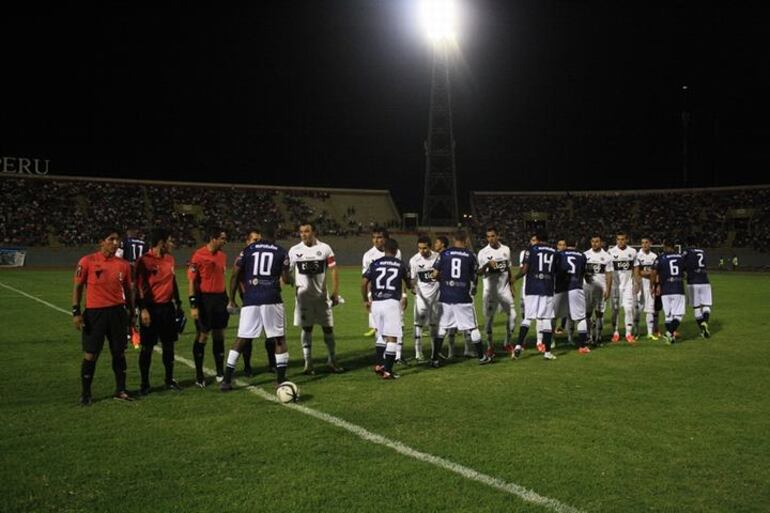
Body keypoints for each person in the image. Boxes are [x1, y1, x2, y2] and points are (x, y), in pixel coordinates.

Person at [222, 223, 291, 390]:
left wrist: (231, 299)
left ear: (261, 236)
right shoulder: (281, 251)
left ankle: (226, 380)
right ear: (275, 236)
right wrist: (289, 278)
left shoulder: (247, 250)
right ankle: (280, 380)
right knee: (279, 338)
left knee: (242, 338)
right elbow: (285, 278)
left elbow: (235, 275)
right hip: (272, 298)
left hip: (250, 299)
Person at [72, 228, 134, 405]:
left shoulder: (124, 265)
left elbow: (129, 291)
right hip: (95, 314)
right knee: (91, 354)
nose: (115, 243)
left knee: (119, 352)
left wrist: (131, 313)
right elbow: (77, 287)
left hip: (117, 313)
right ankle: (86, 393)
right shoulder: (87, 261)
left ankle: (120, 390)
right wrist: (76, 312)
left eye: (117, 240)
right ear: (101, 242)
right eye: (111, 239)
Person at [430, 230, 492, 368]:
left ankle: (434, 359)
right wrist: (486, 266)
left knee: (443, 327)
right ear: (466, 240)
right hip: (462, 296)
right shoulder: (470, 255)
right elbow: (476, 274)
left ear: (454, 240)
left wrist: (445, 280)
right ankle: (482, 357)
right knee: (472, 327)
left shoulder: (444, 254)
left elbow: (434, 274)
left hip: (446, 296)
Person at [289, 222, 344, 374]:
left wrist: (335, 292)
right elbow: (287, 271)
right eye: (301, 232)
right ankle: (308, 363)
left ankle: (332, 360)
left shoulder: (325, 248)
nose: (303, 234)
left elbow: (333, 270)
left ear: (314, 232)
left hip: (322, 298)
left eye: (306, 231)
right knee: (307, 328)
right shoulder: (294, 250)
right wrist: (289, 280)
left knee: (328, 329)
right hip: (303, 300)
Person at [135, 229, 183, 394]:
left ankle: (169, 380)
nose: (172, 244)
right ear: (162, 243)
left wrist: (178, 304)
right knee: (147, 347)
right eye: (170, 241)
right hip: (151, 308)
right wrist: (143, 309)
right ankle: (144, 384)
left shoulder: (170, 259)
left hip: (167, 308)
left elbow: (173, 281)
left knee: (169, 346)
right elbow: (138, 287)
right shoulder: (144, 261)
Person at [362, 238, 411, 380]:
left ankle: (379, 365)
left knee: (381, 334)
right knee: (392, 337)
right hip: (391, 303)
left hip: (376, 303)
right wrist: (410, 286)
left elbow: (364, 282)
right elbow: (408, 284)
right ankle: (388, 371)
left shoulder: (375, 263)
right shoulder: (400, 264)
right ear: (396, 250)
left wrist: (365, 299)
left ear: (384, 249)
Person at [188, 227, 229, 387]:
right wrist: (193, 304)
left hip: (220, 299)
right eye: (222, 238)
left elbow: (221, 278)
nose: (225, 241)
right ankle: (199, 375)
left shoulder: (222, 256)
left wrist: (227, 299)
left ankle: (220, 372)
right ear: (213, 238)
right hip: (204, 300)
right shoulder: (198, 255)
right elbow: (192, 281)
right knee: (203, 335)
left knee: (219, 334)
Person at [512, 232, 558, 361]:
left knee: (528, 318)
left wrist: (515, 277)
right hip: (547, 288)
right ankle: (547, 352)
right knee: (546, 319)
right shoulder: (554, 252)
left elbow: (524, 269)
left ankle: (518, 346)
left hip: (532, 287)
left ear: (537, 239)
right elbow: (556, 270)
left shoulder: (530, 249)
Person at [477, 226, 516, 356]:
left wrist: (512, 286)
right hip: (490, 292)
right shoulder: (483, 253)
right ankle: (490, 346)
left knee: (513, 316)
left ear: (498, 236)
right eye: (488, 237)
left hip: (504, 290)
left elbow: (508, 268)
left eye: (493, 236)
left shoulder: (506, 249)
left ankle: (507, 343)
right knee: (489, 320)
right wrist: (487, 265)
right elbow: (479, 273)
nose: (490, 239)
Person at [554, 240, 591, 353]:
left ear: (566, 245)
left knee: (552, 316)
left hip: (560, 288)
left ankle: (549, 342)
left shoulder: (559, 254)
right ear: (576, 244)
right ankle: (583, 346)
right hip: (576, 287)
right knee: (580, 318)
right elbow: (584, 273)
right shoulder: (582, 255)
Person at [409, 235, 440, 361]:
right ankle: (418, 352)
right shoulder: (414, 260)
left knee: (434, 325)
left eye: (424, 248)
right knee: (418, 325)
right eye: (420, 248)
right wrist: (413, 288)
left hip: (436, 297)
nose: (422, 251)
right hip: (421, 298)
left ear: (430, 247)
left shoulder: (438, 257)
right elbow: (412, 278)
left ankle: (434, 353)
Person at [650, 241, 686, 344]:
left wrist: (652, 285)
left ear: (664, 246)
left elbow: (653, 272)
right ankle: (669, 333)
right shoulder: (680, 257)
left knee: (668, 316)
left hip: (665, 289)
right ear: (674, 247)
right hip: (678, 288)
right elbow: (684, 272)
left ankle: (671, 338)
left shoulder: (660, 258)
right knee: (678, 315)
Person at [608, 232, 638, 343]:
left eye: (623, 239)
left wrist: (636, 282)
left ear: (627, 240)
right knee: (615, 310)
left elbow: (636, 267)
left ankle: (628, 333)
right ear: (616, 240)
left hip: (628, 285)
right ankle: (615, 332)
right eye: (618, 239)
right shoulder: (611, 252)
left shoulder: (632, 251)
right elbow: (608, 270)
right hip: (615, 286)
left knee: (629, 309)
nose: (620, 241)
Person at [583, 234, 613, 345]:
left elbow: (609, 274)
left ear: (601, 243)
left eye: (597, 241)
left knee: (599, 313)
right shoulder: (585, 255)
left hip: (601, 289)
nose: (595, 244)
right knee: (587, 314)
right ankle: (588, 336)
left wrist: (608, 289)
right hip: (587, 289)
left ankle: (599, 337)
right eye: (593, 241)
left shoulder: (607, 257)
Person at [682, 240, 713, 338]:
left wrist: (684, 271)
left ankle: (703, 328)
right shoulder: (702, 251)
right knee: (706, 305)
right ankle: (705, 323)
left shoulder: (687, 251)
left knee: (696, 308)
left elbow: (681, 262)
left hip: (693, 282)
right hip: (705, 281)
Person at [634, 237, 659, 340]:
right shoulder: (637, 256)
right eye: (642, 243)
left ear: (650, 243)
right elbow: (637, 271)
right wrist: (649, 273)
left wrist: (656, 284)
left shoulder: (654, 256)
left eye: (646, 242)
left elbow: (657, 272)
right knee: (637, 309)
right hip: (640, 284)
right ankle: (636, 332)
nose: (644, 245)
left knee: (650, 308)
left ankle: (650, 333)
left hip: (650, 284)